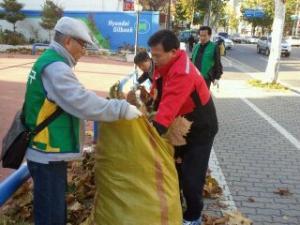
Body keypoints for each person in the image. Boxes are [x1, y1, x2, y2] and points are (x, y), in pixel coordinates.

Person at [24, 17, 141, 225]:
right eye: (82, 45)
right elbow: (82, 102)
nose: (84, 51)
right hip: (46, 153)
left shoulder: (50, 60)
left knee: (54, 209)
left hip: (47, 152)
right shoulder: (56, 68)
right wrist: (121, 108)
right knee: (51, 215)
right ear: (68, 41)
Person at [148, 29, 218, 225]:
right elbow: (158, 92)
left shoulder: (182, 71)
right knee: (174, 170)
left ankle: (193, 216)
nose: (154, 59)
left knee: (192, 177)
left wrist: (149, 134)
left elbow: (168, 108)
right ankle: (176, 208)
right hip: (180, 124)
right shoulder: (164, 65)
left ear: (173, 52)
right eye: (152, 55)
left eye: (157, 55)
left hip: (201, 126)